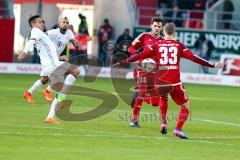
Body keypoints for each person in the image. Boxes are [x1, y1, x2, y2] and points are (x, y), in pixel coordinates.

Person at [113, 22, 223, 139]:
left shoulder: (157, 45)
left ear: (164, 32)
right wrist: (212, 65)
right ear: (174, 33)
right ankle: (178, 129)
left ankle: (164, 123)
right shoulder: (179, 45)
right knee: (185, 106)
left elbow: (140, 55)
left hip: (160, 81)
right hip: (175, 82)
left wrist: (123, 62)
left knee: (162, 99)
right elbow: (194, 58)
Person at [18, 15, 79, 123]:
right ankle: (55, 103)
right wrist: (25, 51)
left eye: (42, 22)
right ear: (33, 24)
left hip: (52, 63)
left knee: (62, 87)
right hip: (52, 65)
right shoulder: (36, 31)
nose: (42, 24)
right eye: (40, 22)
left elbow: (46, 50)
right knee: (74, 72)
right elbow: (31, 41)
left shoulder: (41, 34)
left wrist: (59, 58)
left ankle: (51, 115)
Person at [127, 17, 168, 134]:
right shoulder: (144, 36)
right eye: (155, 26)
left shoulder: (164, 41)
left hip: (155, 73)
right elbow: (131, 49)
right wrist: (139, 54)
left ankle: (139, 97)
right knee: (143, 90)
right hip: (142, 69)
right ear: (151, 26)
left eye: (159, 26)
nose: (157, 28)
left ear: (162, 28)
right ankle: (134, 120)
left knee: (155, 103)